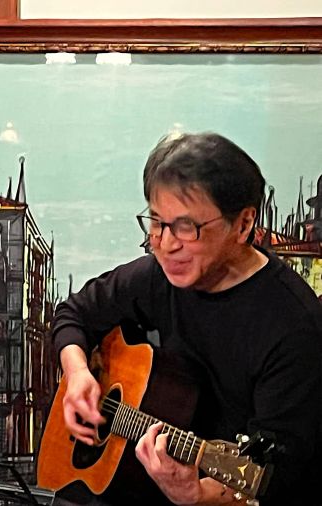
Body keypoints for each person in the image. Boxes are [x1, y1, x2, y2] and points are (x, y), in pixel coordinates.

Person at [51, 132, 322, 505]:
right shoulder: (157, 276)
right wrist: (78, 373)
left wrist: (197, 494)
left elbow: (273, 475)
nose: (166, 244)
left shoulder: (294, 326)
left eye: (186, 227)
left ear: (243, 225)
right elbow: (73, 313)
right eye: (156, 222)